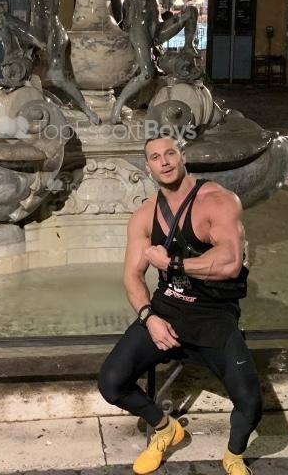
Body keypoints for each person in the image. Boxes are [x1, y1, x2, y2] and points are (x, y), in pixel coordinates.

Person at [98, 131, 262, 475]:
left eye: (170, 153)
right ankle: (166, 429)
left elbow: (230, 263)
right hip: (167, 311)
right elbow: (132, 277)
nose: (165, 162)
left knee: (250, 402)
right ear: (148, 168)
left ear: (183, 156)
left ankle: (233, 456)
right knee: (111, 382)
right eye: (155, 158)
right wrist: (149, 318)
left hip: (214, 316)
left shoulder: (219, 200)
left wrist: (171, 264)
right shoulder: (144, 215)